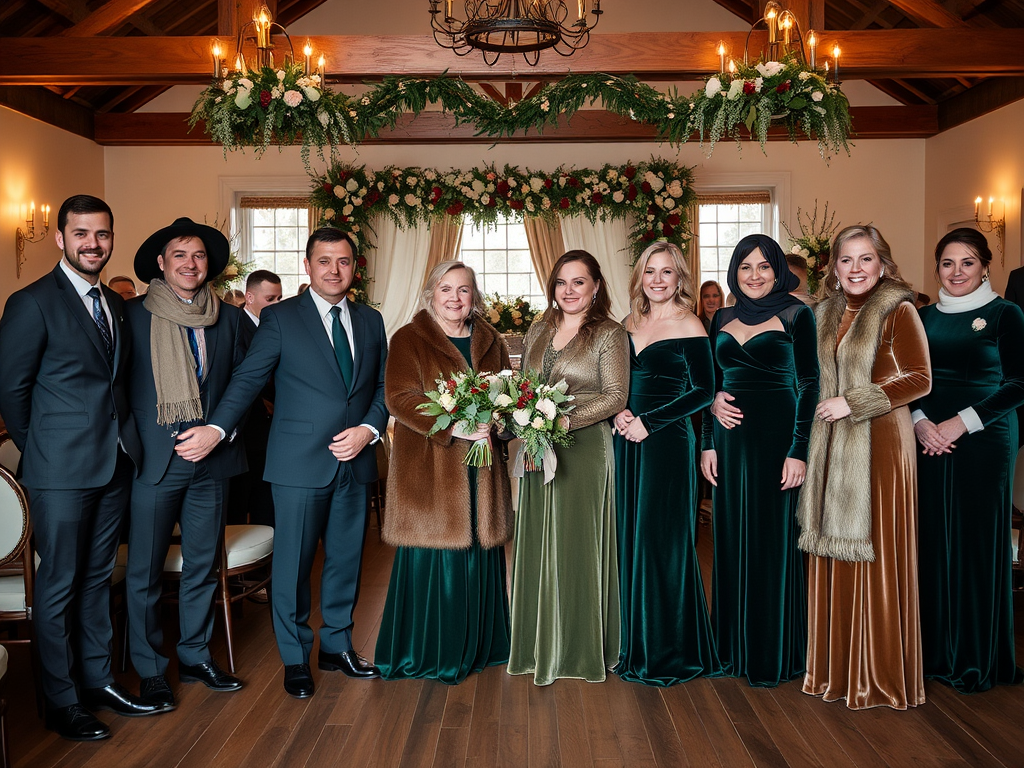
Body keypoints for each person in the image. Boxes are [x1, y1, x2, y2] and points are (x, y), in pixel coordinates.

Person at [198, 227, 388, 699]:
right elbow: (247, 380)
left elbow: (383, 386)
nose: (334, 270)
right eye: (324, 261)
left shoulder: (370, 320)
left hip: (356, 459)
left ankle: (337, 646)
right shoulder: (280, 319)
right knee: (294, 566)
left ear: (354, 268)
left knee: (346, 560)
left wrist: (369, 429)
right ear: (308, 266)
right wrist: (217, 428)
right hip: (298, 464)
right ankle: (295, 657)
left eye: (343, 261)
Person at [0, 195, 157, 740]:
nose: (94, 244)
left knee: (96, 580)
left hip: (115, 464)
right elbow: (12, 395)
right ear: (60, 238)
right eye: (82, 234)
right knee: (60, 584)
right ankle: (62, 699)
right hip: (59, 472)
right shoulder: (32, 302)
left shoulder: (114, 306)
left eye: (103, 234)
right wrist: (43, 451)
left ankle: (98, 681)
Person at [798, 224, 932, 710]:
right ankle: (835, 669)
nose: (856, 269)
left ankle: (876, 674)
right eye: (847, 260)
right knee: (833, 551)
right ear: (834, 268)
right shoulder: (825, 312)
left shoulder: (899, 309)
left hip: (880, 446)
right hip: (830, 444)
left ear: (883, 264)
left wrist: (854, 402)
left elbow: (920, 379)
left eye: (866, 259)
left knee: (876, 551)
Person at [123, 217, 249, 706]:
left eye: (198, 256)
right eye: (179, 255)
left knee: (201, 565)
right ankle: (152, 669)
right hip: (154, 466)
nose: (190, 263)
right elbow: (113, 390)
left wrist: (219, 431)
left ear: (209, 265)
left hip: (211, 462)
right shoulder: (131, 316)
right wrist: (136, 446)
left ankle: (195, 656)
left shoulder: (230, 319)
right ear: (161, 263)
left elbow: (245, 383)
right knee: (145, 572)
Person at [375, 261, 514, 684]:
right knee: (434, 559)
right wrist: (453, 425)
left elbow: (508, 395)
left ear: (475, 295)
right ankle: (429, 653)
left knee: (479, 549)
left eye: (464, 290)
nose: (455, 298)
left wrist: (499, 423)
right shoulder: (409, 338)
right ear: (430, 294)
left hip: (484, 470)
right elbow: (398, 398)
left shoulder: (491, 339)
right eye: (446, 289)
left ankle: (484, 647)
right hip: (431, 471)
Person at [700, 234, 818, 687]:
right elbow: (711, 382)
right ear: (734, 271)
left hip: (777, 442)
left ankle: (773, 651)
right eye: (745, 267)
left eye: (764, 266)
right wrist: (708, 439)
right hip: (729, 444)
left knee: (772, 542)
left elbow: (809, 384)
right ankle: (731, 648)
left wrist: (798, 450)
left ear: (778, 271)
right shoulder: (722, 317)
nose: (754, 275)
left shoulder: (796, 313)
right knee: (730, 540)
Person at [508, 250, 629, 686]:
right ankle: (539, 644)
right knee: (540, 539)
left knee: (578, 545)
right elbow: (524, 384)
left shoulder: (610, 334)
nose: (570, 290)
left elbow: (616, 395)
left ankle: (579, 648)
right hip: (539, 448)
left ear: (596, 286)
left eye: (579, 282)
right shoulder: (539, 328)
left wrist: (563, 420)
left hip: (585, 448)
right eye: (562, 282)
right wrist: (522, 416)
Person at [913, 228, 1024, 693]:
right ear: (936, 267)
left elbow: (1019, 383)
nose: (956, 273)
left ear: (985, 268)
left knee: (976, 544)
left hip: (984, 439)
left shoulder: (1005, 314)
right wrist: (919, 420)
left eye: (967, 263)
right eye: (947, 263)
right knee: (931, 541)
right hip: (925, 439)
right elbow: (906, 379)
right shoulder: (918, 317)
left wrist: (962, 422)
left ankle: (977, 657)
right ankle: (934, 653)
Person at [613, 242, 720, 686]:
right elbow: (616, 379)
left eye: (667, 272)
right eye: (650, 272)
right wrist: (618, 410)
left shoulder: (690, 323)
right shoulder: (628, 322)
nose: (657, 280)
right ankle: (632, 643)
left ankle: (667, 650)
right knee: (630, 538)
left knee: (661, 543)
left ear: (680, 278)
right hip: (626, 440)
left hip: (667, 442)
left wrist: (649, 422)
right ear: (640, 277)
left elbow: (704, 391)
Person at [226, 270, 283, 528]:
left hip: (272, 428)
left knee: (266, 502)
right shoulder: (234, 326)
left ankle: (265, 564)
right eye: (271, 299)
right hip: (246, 429)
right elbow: (235, 375)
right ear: (249, 297)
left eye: (280, 298)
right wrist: (263, 402)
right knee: (238, 503)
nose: (277, 305)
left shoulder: (277, 327)